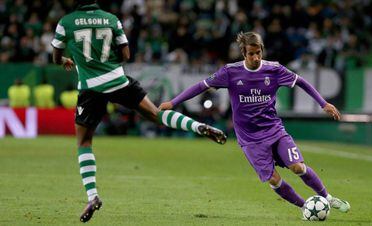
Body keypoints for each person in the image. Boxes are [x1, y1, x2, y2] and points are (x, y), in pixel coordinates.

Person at [51, 0, 227, 222]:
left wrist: (67, 60)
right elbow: (126, 55)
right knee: (155, 113)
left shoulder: (65, 22)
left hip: (91, 88)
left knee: (84, 142)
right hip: (118, 79)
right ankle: (197, 125)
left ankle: (93, 196)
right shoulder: (111, 19)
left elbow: (56, 57)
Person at [159, 32, 351, 217]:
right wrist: (173, 103)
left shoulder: (273, 69)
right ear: (244, 53)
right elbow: (201, 86)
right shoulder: (230, 72)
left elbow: (301, 82)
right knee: (274, 180)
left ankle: (328, 197)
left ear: (262, 50)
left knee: (298, 167)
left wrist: (323, 103)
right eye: (251, 54)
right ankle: (305, 207)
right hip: (250, 139)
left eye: (258, 52)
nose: (256, 57)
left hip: (274, 130)